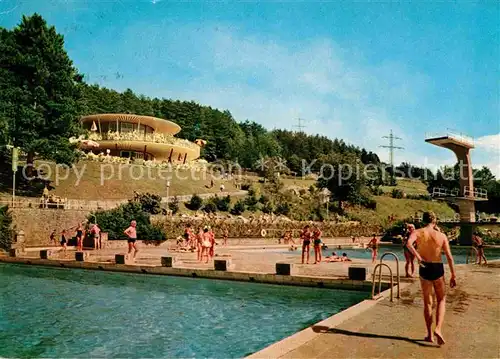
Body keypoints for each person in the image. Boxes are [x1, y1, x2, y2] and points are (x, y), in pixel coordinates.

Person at [407, 211, 456, 346]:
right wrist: (453, 275)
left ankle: (429, 335)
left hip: (424, 267)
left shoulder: (418, 232)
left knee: (427, 302)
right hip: (437, 268)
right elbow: (449, 257)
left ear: (424, 220)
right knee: (441, 299)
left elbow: (409, 244)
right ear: (434, 220)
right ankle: (438, 329)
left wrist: (418, 257)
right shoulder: (441, 235)